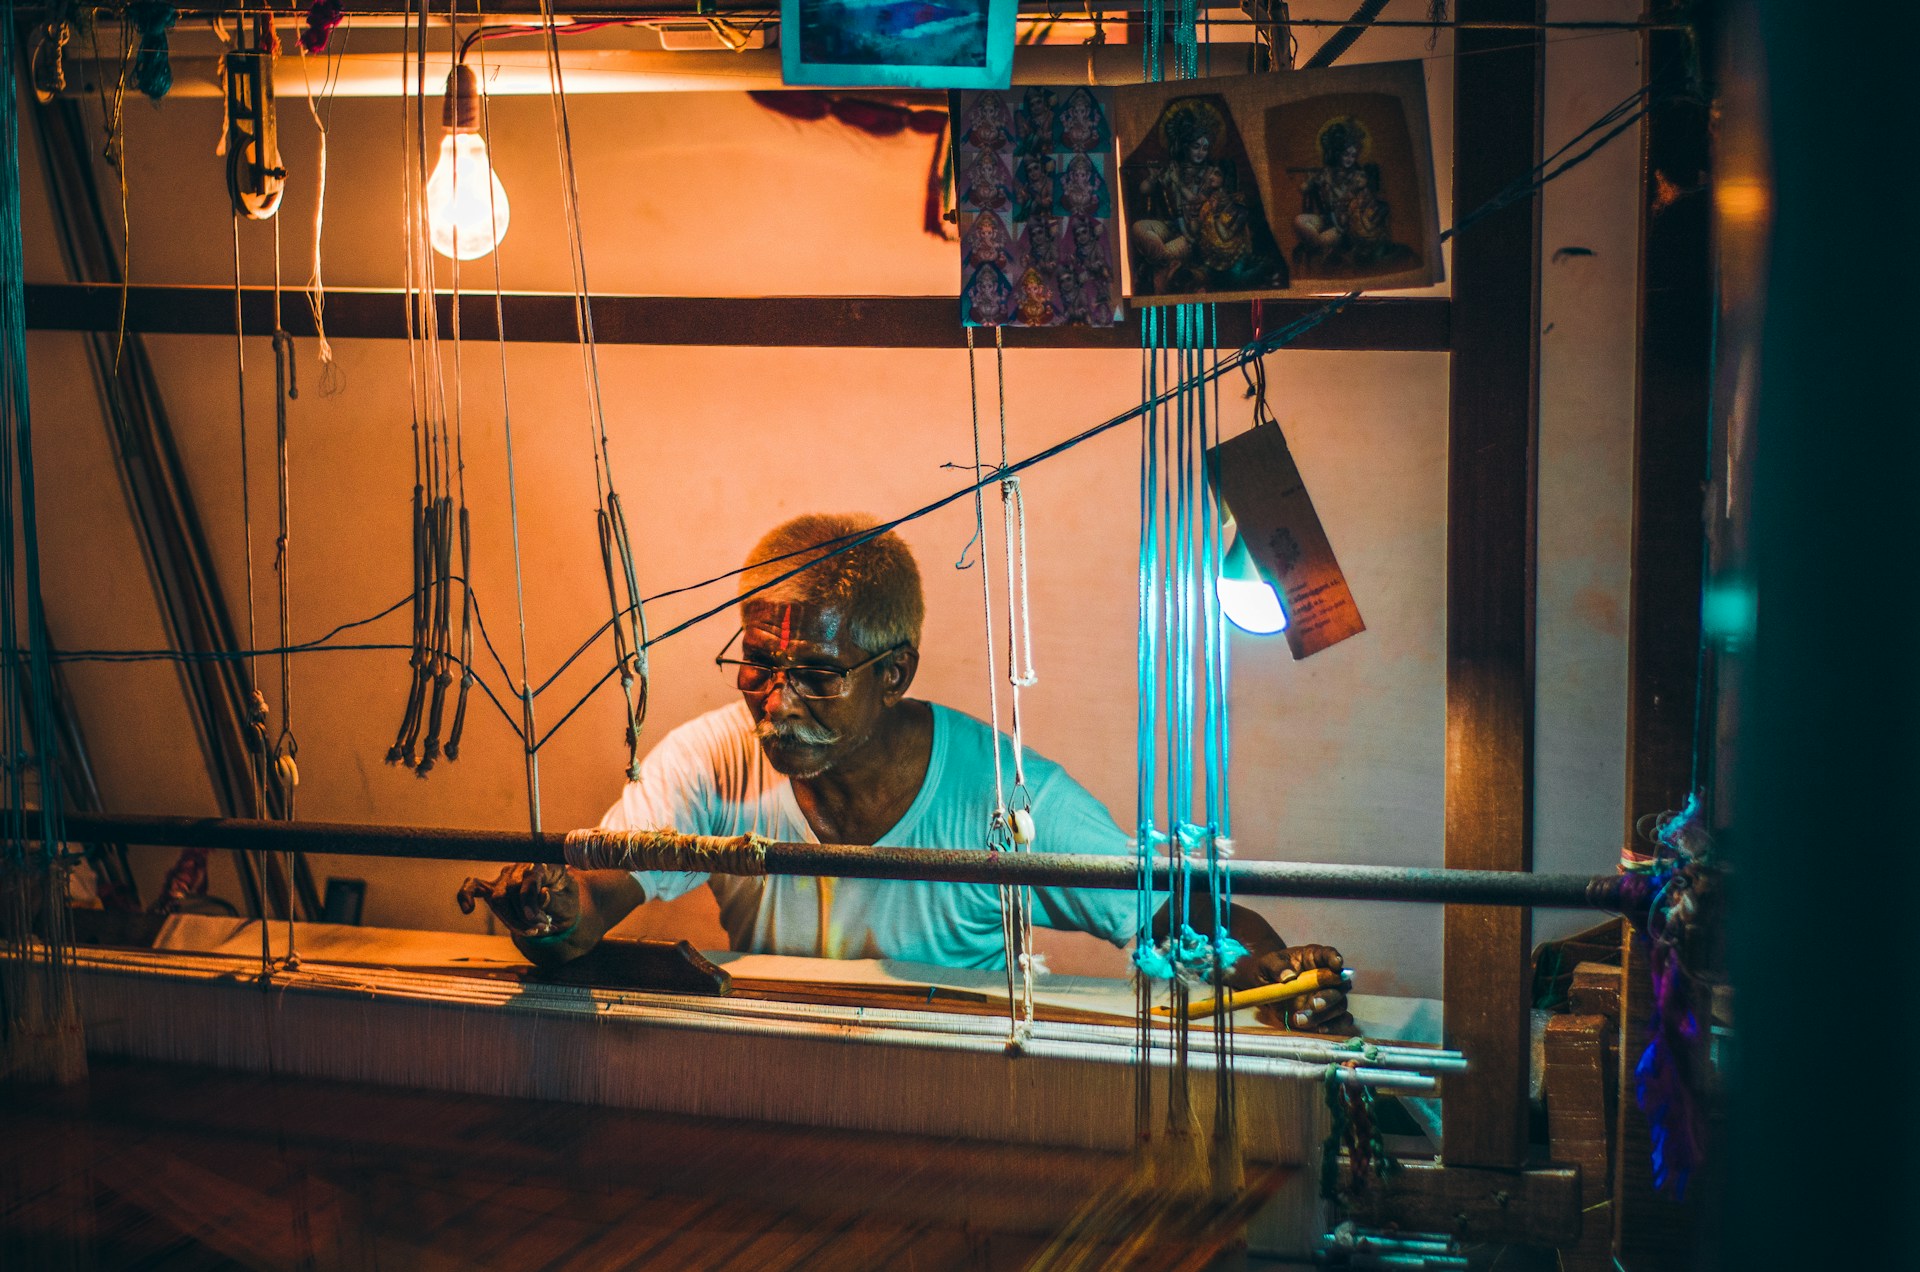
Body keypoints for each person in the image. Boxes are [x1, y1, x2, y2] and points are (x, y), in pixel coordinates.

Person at [459, 514, 1350, 1030]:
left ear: (895, 673)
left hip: (952, 1105)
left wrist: (1267, 970)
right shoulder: (711, 759)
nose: (774, 699)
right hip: (760, 1087)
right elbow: (588, 906)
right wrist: (548, 911)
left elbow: (1171, 911)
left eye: (815, 673)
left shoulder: (1005, 797)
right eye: (758, 662)